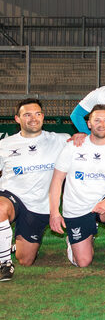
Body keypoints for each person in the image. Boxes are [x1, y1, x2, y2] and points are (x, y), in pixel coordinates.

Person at [48, 105, 105, 271]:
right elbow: (57, 180)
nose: (101, 124)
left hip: (103, 206)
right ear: (89, 124)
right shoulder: (73, 146)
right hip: (77, 208)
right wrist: (54, 213)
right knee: (83, 262)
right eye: (97, 120)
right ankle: (76, 240)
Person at [0, 98, 72, 280]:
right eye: (27, 115)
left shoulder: (59, 140)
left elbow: (88, 145)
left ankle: (10, 242)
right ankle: (4, 263)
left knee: (25, 259)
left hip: (39, 206)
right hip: (11, 196)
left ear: (43, 117)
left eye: (37, 114)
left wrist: (81, 136)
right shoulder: (4, 145)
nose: (33, 118)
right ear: (17, 119)